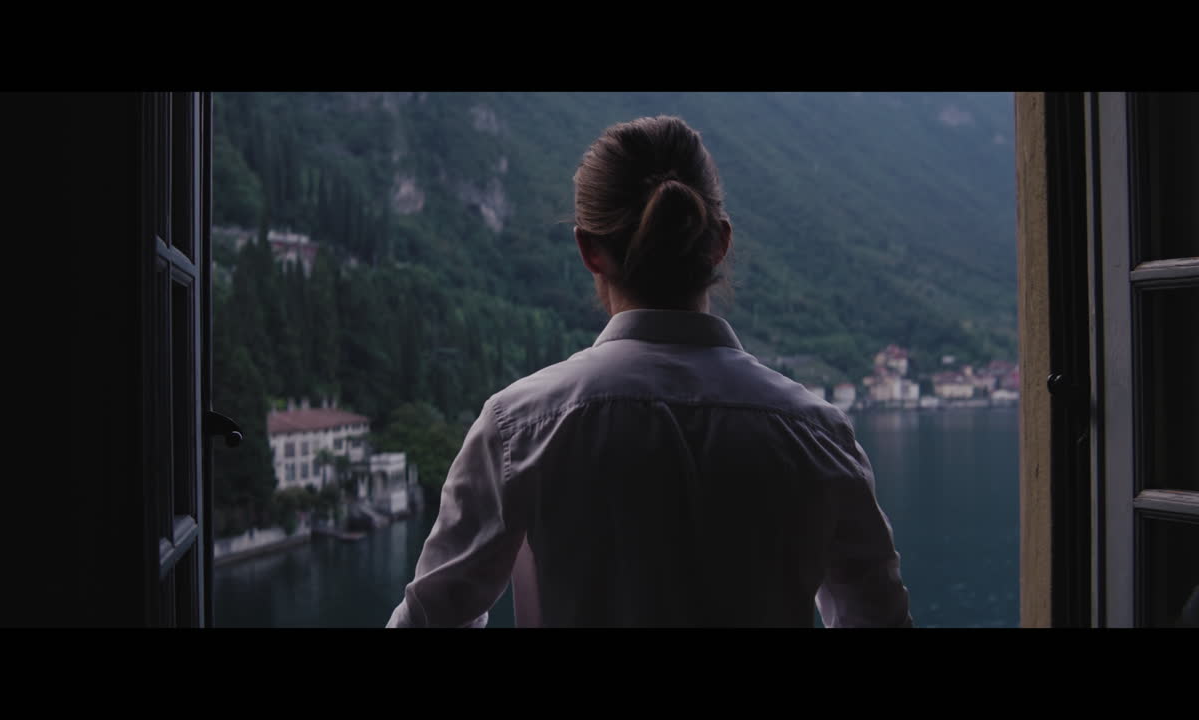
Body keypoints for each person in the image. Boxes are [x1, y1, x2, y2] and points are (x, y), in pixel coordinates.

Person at [387, 115, 912, 628]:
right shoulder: (816, 434)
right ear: (719, 243)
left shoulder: (519, 428)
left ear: (589, 250)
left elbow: (432, 618)